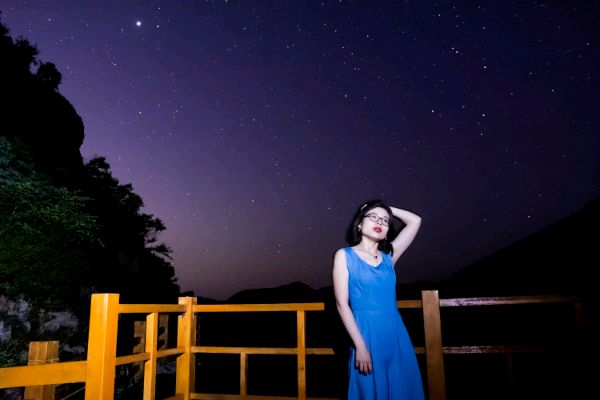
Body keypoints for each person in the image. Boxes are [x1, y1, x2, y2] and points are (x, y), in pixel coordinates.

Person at [332, 199, 425, 400]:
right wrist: (360, 346)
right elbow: (342, 304)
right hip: (364, 333)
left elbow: (415, 221)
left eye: (385, 220)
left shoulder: (389, 256)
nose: (379, 222)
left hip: (396, 332)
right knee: (369, 390)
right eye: (373, 217)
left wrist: (386, 209)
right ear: (359, 224)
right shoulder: (344, 255)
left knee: (401, 390)